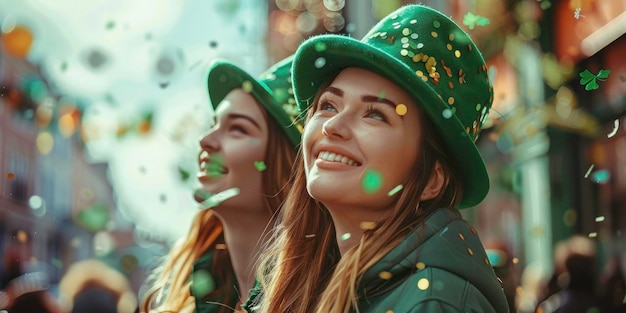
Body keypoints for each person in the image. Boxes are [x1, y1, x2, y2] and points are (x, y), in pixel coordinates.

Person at [252, 4, 509, 313]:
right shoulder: (321, 281)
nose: (333, 126)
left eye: (375, 114)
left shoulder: (433, 303)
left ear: (431, 179)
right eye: (329, 105)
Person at [140, 56, 301, 313]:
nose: (206, 140)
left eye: (237, 129)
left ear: (286, 166)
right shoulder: (200, 296)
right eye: (213, 124)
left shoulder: (321, 301)